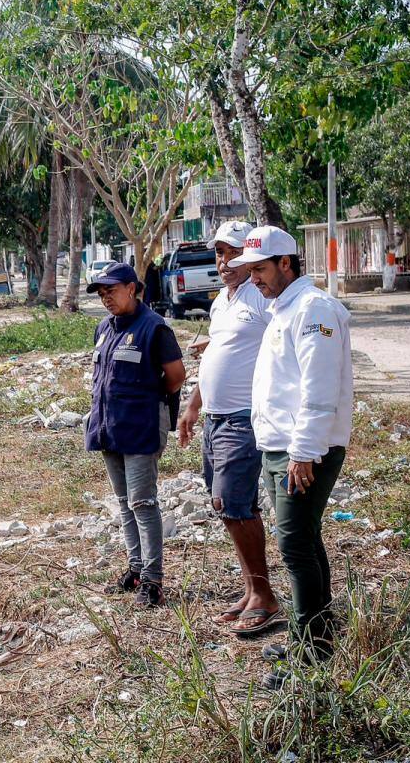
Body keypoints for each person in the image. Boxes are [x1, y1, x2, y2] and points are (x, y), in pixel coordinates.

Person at [228, 225, 353, 690]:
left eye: (260, 269)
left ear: (286, 263)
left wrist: (303, 452)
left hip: (304, 451)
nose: (253, 278)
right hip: (281, 447)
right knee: (304, 541)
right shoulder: (285, 308)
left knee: (295, 546)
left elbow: (318, 389)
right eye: (249, 270)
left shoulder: (314, 308)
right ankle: (314, 633)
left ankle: (310, 657)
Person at [177, 221, 282, 635]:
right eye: (219, 253)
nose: (224, 262)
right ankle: (252, 588)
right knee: (229, 507)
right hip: (215, 418)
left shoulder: (260, 296)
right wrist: (192, 407)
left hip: (244, 417)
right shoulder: (222, 300)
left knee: (232, 502)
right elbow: (217, 359)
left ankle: (265, 596)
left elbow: (281, 344)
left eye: (233, 253)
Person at [85, 262, 186, 608]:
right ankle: (136, 568)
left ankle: (154, 580)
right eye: (101, 294)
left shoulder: (154, 328)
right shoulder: (104, 328)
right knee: (124, 504)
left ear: (132, 288)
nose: (106, 299)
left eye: (111, 291)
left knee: (142, 502)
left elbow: (175, 376)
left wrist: (147, 400)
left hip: (141, 426)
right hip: (109, 426)